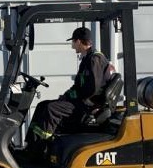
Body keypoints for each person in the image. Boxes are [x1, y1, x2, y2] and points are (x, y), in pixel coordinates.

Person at [25, 27, 115, 155]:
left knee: (52, 109)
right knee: (42, 105)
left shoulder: (95, 59)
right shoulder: (87, 59)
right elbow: (79, 86)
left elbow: (92, 89)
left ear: (78, 41)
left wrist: (72, 98)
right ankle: (31, 144)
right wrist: (67, 96)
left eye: (73, 42)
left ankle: (41, 149)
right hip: (82, 102)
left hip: (88, 105)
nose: (72, 46)